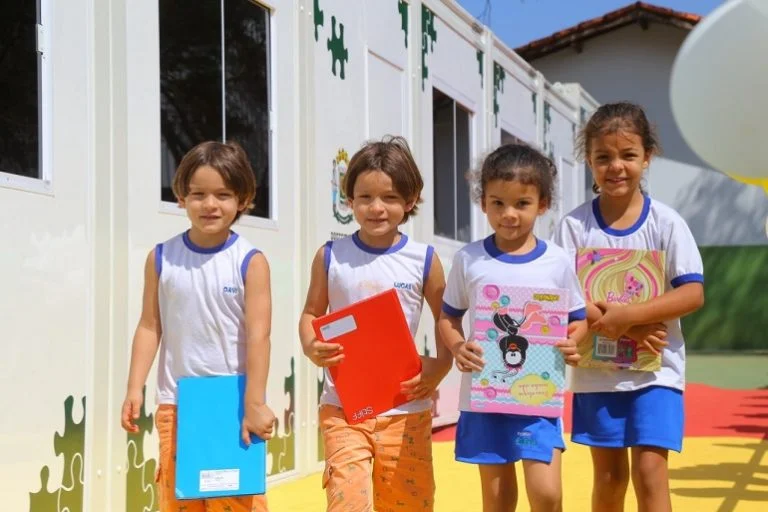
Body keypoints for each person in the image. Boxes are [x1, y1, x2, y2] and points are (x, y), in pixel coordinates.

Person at [554, 102, 705, 512]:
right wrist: (623, 326)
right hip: (597, 375)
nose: (615, 166)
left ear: (647, 157)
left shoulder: (667, 222)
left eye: (628, 155)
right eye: (603, 157)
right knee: (609, 478)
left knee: (650, 474)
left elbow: (692, 293)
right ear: (588, 161)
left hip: (658, 373)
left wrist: (631, 318)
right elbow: (562, 296)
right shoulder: (572, 226)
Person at [298, 136, 451, 511]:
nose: (376, 208)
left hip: (406, 409)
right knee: (348, 502)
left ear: (410, 201)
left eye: (390, 197)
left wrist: (442, 365)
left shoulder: (424, 260)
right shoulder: (331, 256)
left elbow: (447, 317)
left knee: (408, 504)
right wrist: (309, 344)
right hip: (343, 407)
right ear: (349, 200)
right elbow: (311, 313)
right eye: (365, 197)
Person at [120, 141, 275, 512]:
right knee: (180, 500)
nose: (210, 204)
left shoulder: (250, 262)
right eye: (198, 194)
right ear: (181, 197)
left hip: (233, 403)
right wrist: (134, 387)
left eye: (223, 194)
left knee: (237, 500)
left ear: (243, 199)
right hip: (177, 403)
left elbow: (259, 337)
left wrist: (254, 402)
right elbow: (149, 326)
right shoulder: (161, 258)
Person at [439, 143, 587, 512]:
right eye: (497, 203)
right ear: (483, 203)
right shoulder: (469, 258)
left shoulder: (557, 261)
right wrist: (458, 347)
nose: (509, 214)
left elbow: (578, 320)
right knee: (498, 499)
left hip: (538, 395)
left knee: (548, 494)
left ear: (543, 203)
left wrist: (572, 344)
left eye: (522, 203)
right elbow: (448, 317)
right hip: (486, 396)